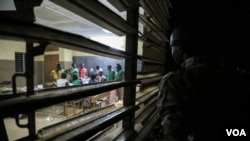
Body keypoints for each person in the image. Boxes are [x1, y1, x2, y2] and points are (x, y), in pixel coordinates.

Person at [157, 27, 250, 141]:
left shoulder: (175, 82)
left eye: (171, 46)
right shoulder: (235, 77)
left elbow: (173, 134)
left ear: (180, 47)